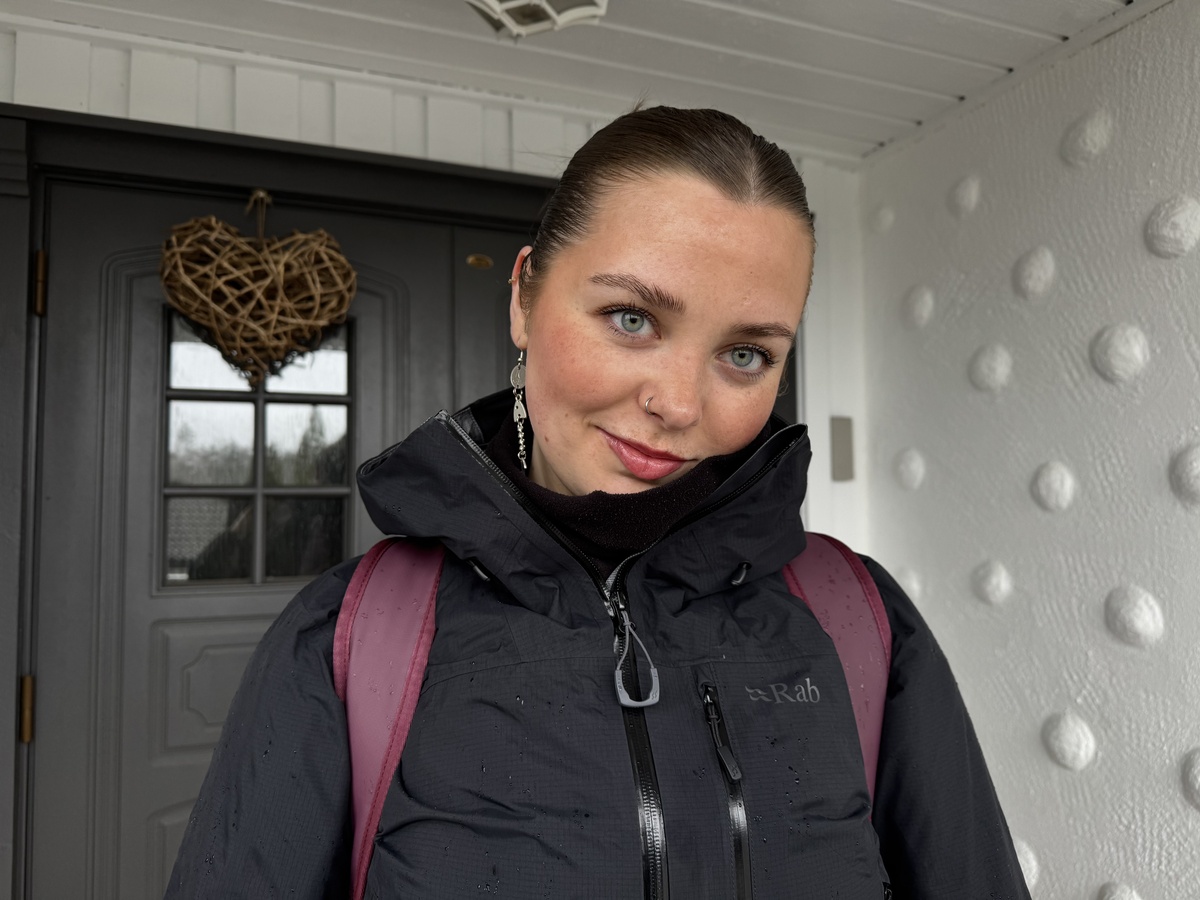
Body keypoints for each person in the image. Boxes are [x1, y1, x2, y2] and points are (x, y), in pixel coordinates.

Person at [166, 106, 1031, 899]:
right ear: (524, 297)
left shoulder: (859, 620)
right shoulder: (354, 637)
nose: (679, 404)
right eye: (631, 319)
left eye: (745, 355)